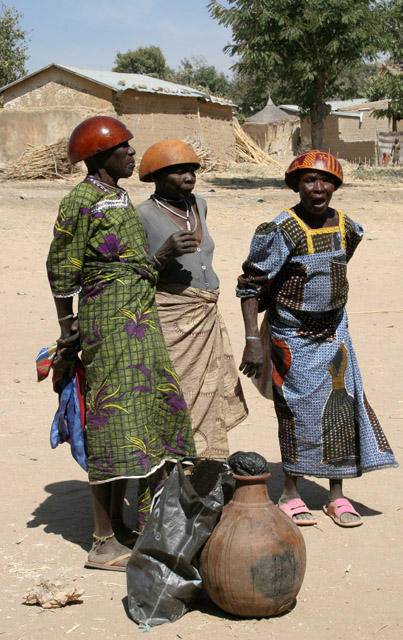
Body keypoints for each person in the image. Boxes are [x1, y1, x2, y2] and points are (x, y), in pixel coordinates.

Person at [46, 117, 196, 570]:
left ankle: (123, 520)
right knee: (112, 421)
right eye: (126, 149)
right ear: (100, 155)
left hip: (139, 320)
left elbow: (133, 266)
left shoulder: (119, 196)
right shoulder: (81, 200)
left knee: (150, 413)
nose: (134, 154)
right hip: (108, 324)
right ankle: (102, 540)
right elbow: (60, 267)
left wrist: (164, 255)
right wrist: (66, 324)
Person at [237, 150, 398, 528]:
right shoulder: (280, 229)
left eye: (326, 181)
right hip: (292, 336)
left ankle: (336, 496)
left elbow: (337, 266)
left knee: (340, 408)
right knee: (294, 411)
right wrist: (253, 341)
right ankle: (290, 491)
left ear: (336, 186)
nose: (319, 188)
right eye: (309, 180)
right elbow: (250, 287)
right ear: (296, 186)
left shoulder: (346, 225)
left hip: (335, 333)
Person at [136, 140, 247, 460]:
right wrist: (163, 254)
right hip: (173, 320)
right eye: (178, 171)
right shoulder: (141, 215)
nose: (188, 177)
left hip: (206, 314)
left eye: (192, 171)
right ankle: (176, 468)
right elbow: (131, 274)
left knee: (208, 396)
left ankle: (206, 467)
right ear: (156, 176)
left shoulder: (199, 204)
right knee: (180, 394)